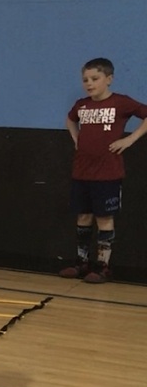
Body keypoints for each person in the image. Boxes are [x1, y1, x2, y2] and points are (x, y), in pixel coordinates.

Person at [59, 58, 147, 283]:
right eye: (85, 80)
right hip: (82, 172)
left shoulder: (121, 102)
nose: (89, 83)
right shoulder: (82, 105)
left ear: (109, 79)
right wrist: (76, 138)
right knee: (83, 216)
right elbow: (70, 120)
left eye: (95, 79)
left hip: (107, 173)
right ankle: (82, 262)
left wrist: (130, 140)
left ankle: (103, 266)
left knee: (104, 218)